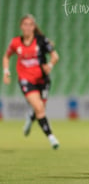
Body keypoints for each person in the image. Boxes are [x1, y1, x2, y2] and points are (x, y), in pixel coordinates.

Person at [2, 14, 60, 149]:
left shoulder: (41, 41)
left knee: (40, 109)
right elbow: (6, 56)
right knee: (39, 108)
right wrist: (6, 72)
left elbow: (55, 56)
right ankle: (51, 138)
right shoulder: (16, 42)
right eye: (25, 24)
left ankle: (30, 117)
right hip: (26, 80)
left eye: (30, 24)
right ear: (21, 26)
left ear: (34, 27)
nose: (27, 27)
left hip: (42, 80)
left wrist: (49, 66)